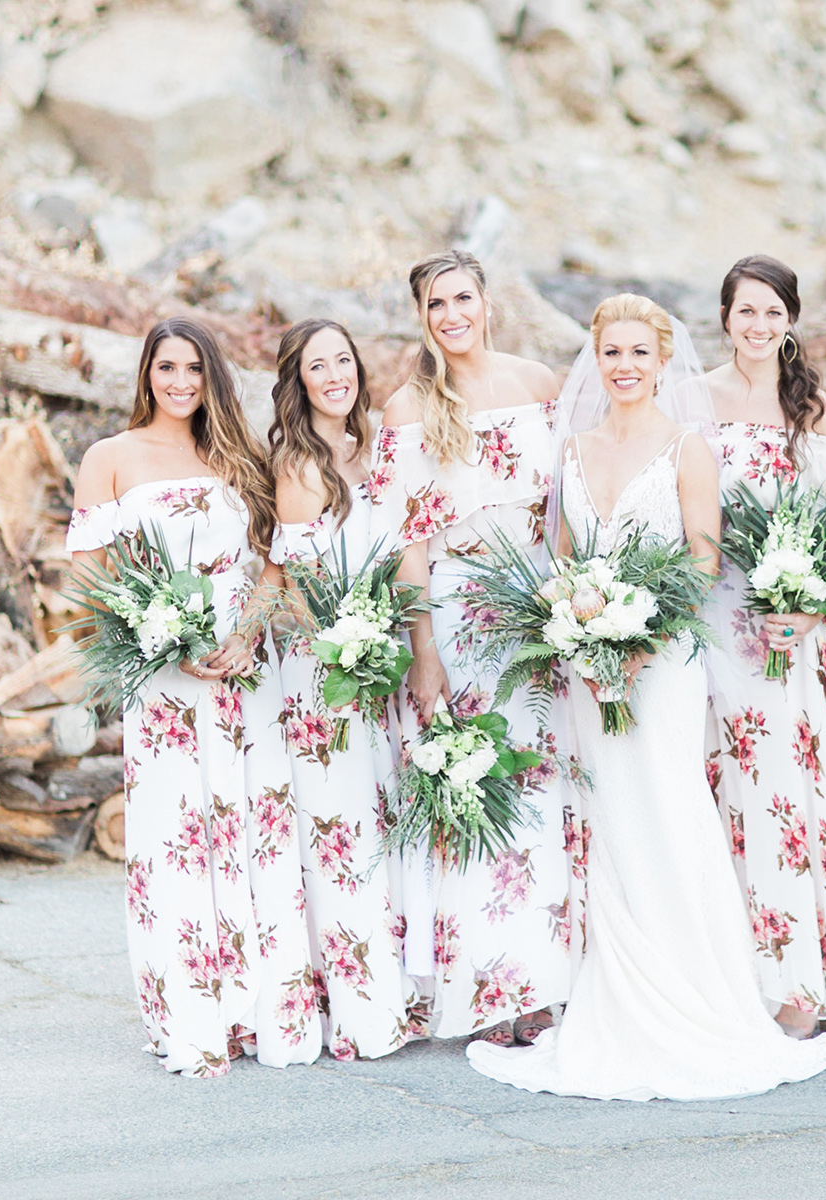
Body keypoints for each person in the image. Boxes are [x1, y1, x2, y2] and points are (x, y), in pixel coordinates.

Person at [467, 294, 826, 1101]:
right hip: (589, 666)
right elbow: (565, 558)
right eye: (613, 353)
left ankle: (704, 998)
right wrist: (579, 632)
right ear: (595, 361)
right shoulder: (573, 449)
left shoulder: (686, 448)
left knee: (670, 810)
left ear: (664, 361)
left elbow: (702, 563)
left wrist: (639, 640)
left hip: (663, 664)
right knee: (612, 819)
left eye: (640, 352)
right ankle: (621, 1000)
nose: (625, 366)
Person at [68, 317, 318, 1077]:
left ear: (212, 377)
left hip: (245, 667)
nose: (180, 382)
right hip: (166, 677)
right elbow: (89, 573)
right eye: (166, 368)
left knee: (254, 828)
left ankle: (262, 1013)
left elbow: (275, 560)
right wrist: (164, 634)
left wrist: (246, 633)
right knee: (180, 834)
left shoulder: (236, 455)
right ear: (147, 375)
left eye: (193, 369)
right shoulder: (110, 458)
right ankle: (196, 1011)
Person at [370, 251, 574, 1046]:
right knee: (473, 790)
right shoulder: (408, 407)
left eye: (462, 298)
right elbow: (408, 545)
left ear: (487, 301)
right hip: (458, 609)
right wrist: (424, 651)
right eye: (435, 304)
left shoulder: (538, 383)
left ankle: (544, 982)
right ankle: (487, 989)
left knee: (541, 790)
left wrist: (572, 604)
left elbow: (568, 508)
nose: (452, 315)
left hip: (538, 606)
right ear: (420, 317)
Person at [700, 255, 826, 1039]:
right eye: (746, 310)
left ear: (791, 321)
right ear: (725, 317)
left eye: (773, 312)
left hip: (796, 632)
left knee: (793, 797)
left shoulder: (817, 412)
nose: (759, 325)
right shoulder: (693, 401)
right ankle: (737, 977)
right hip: (716, 624)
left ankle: (806, 979)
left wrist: (811, 608)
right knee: (725, 797)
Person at [266, 318, 421, 1060]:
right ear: (298, 382)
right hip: (325, 670)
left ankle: (398, 989)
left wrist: (387, 638)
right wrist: (350, 645)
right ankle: (358, 1005)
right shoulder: (298, 466)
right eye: (317, 366)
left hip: (378, 659)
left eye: (342, 361)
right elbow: (298, 589)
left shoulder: (377, 449)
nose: (335, 376)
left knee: (380, 819)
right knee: (339, 828)